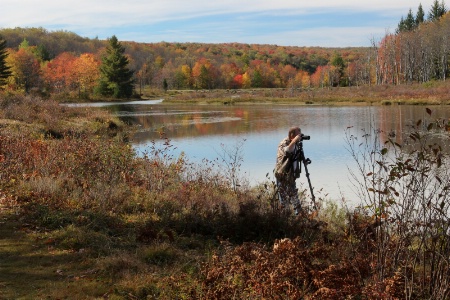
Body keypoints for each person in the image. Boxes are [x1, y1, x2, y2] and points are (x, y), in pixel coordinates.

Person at [274, 126, 302, 215]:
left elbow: (295, 157)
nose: (300, 137)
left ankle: (300, 218)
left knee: (295, 199)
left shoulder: (296, 144)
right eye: (298, 134)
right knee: (284, 201)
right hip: (282, 175)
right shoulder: (284, 143)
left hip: (291, 176)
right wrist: (294, 141)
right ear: (292, 135)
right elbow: (287, 152)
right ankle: (284, 221)